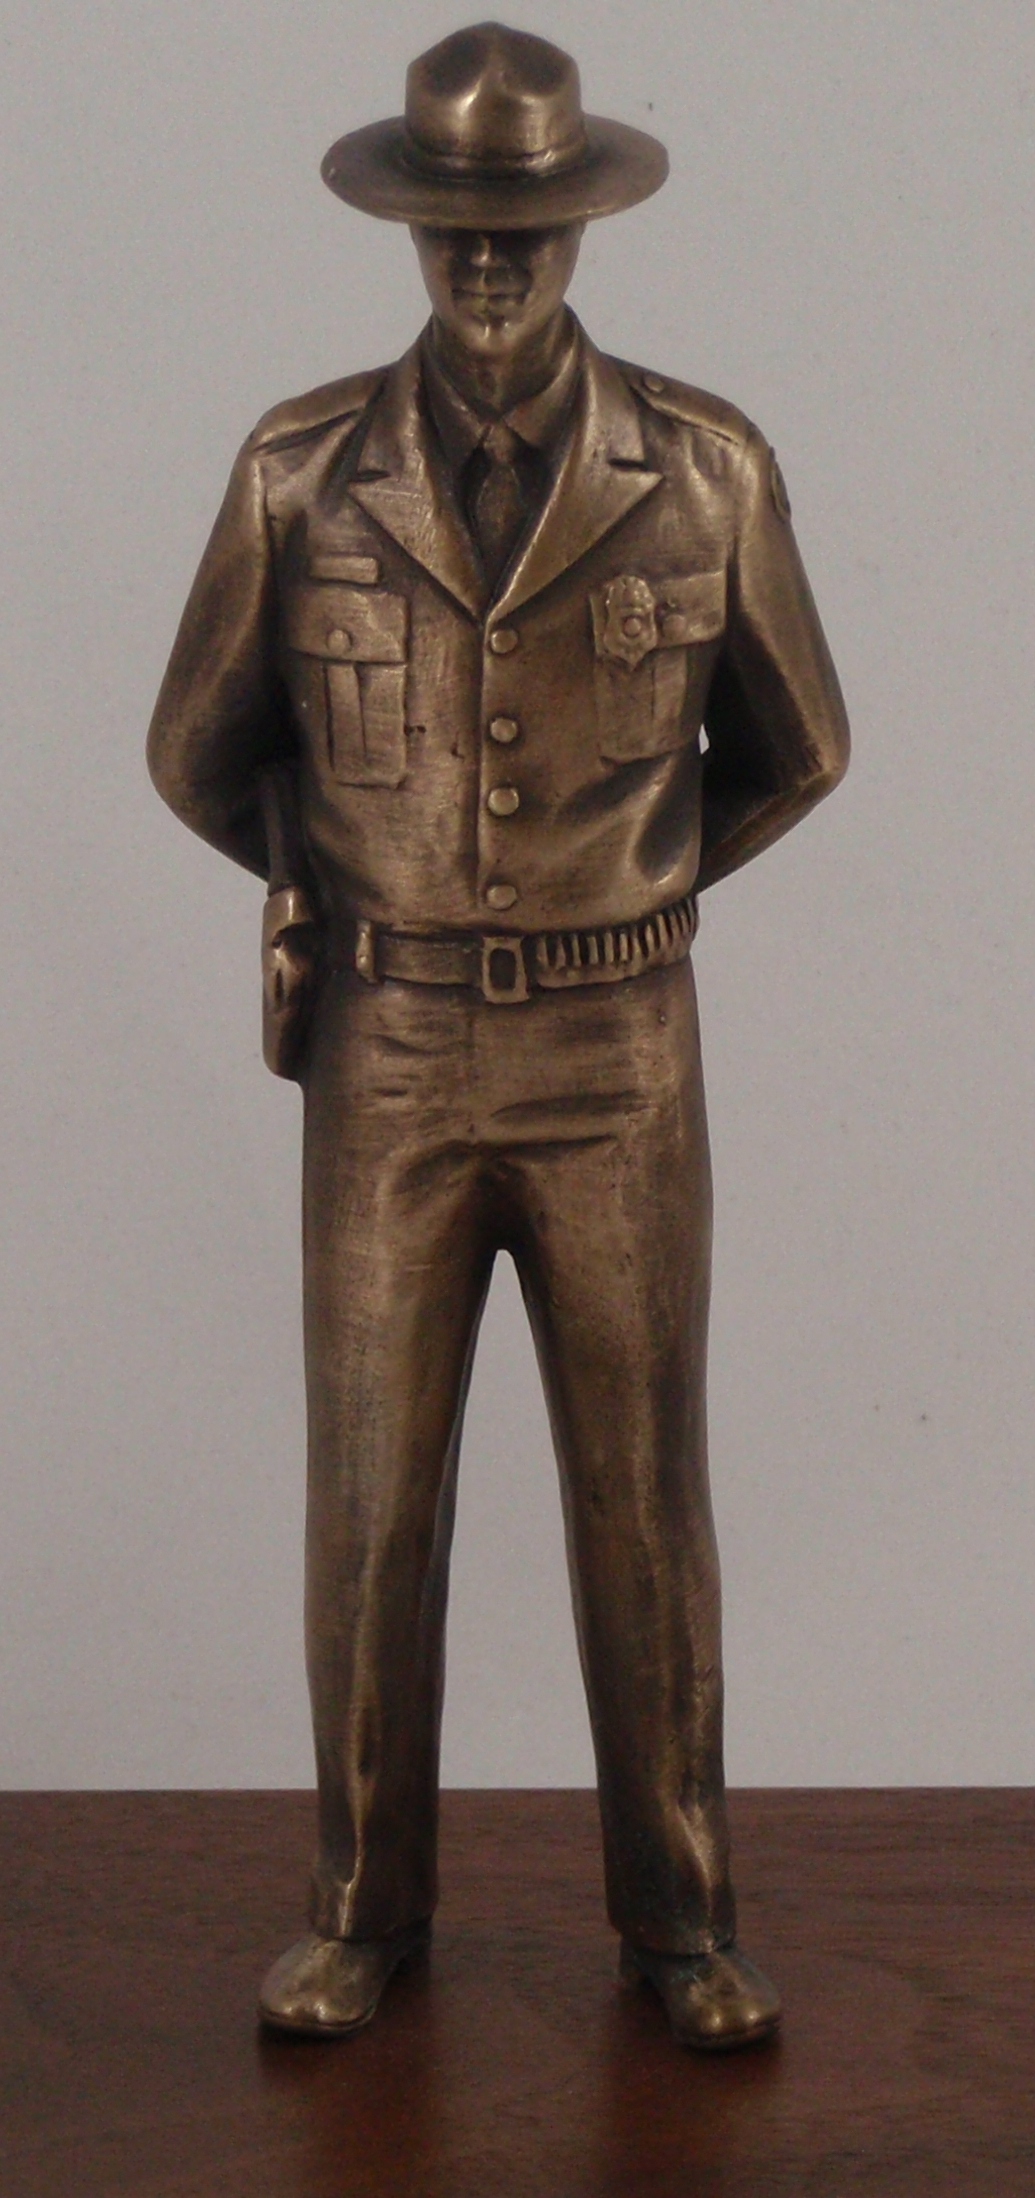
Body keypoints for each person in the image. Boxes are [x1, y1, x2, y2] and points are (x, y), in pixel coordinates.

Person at [147, 23, 849, 2050]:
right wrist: (324, 877)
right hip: (387, 1053)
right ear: (406, 229)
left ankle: (681, 1922)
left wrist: (637, 882)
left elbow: (798, 747)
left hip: (619, 1055)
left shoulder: (701, 467)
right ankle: (360, 1908)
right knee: (371, 1493)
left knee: (641, 1492)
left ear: (580, 227)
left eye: (519, 230)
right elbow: (198, 748)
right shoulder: (300, 472)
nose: (484, 265)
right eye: (452, 228)